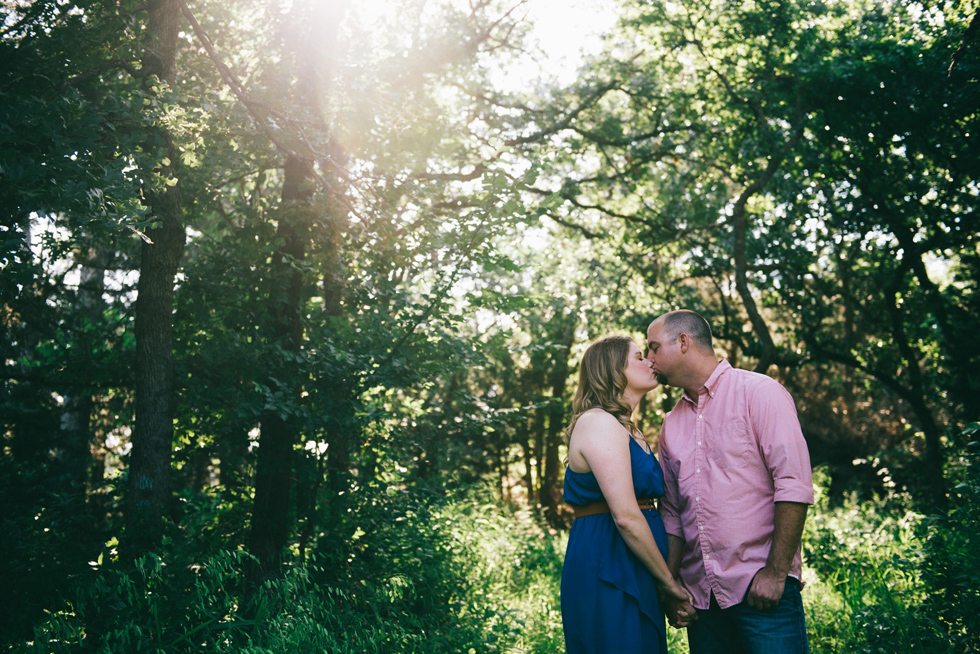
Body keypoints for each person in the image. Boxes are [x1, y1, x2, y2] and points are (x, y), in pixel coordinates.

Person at [646, 310, 814, 654]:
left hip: (762, 591)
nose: (649, 360)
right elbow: (674, 516)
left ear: (682, 342)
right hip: (703, 601)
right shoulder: (671, 424)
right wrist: (671, 585)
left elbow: (793, 485)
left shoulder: (760, 393)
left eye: (652, 348)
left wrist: (776, 574)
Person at [561, 334, 693, 654]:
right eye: (638, 356)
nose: (650, 361)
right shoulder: (598, 422)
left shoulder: (631, 430)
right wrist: (669, 584)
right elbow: (626, 516)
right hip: (608, 562)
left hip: (638, 561)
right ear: (612, 370)